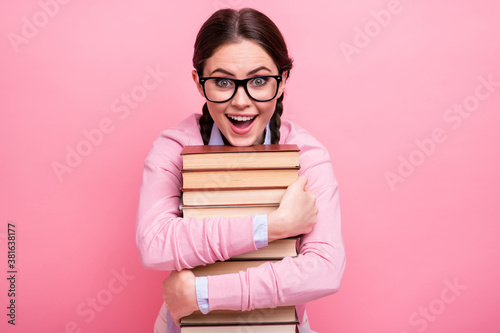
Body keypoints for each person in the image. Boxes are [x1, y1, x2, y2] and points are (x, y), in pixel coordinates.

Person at [135, 8, 346, 333]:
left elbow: (325, 270)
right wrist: (273, 226)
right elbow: (155, 245)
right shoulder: (175, 147)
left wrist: (202, 294)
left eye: (259, 81)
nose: (241, 101)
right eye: (222, 82)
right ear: (198, 81)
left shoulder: (306, 154)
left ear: (283, 79)